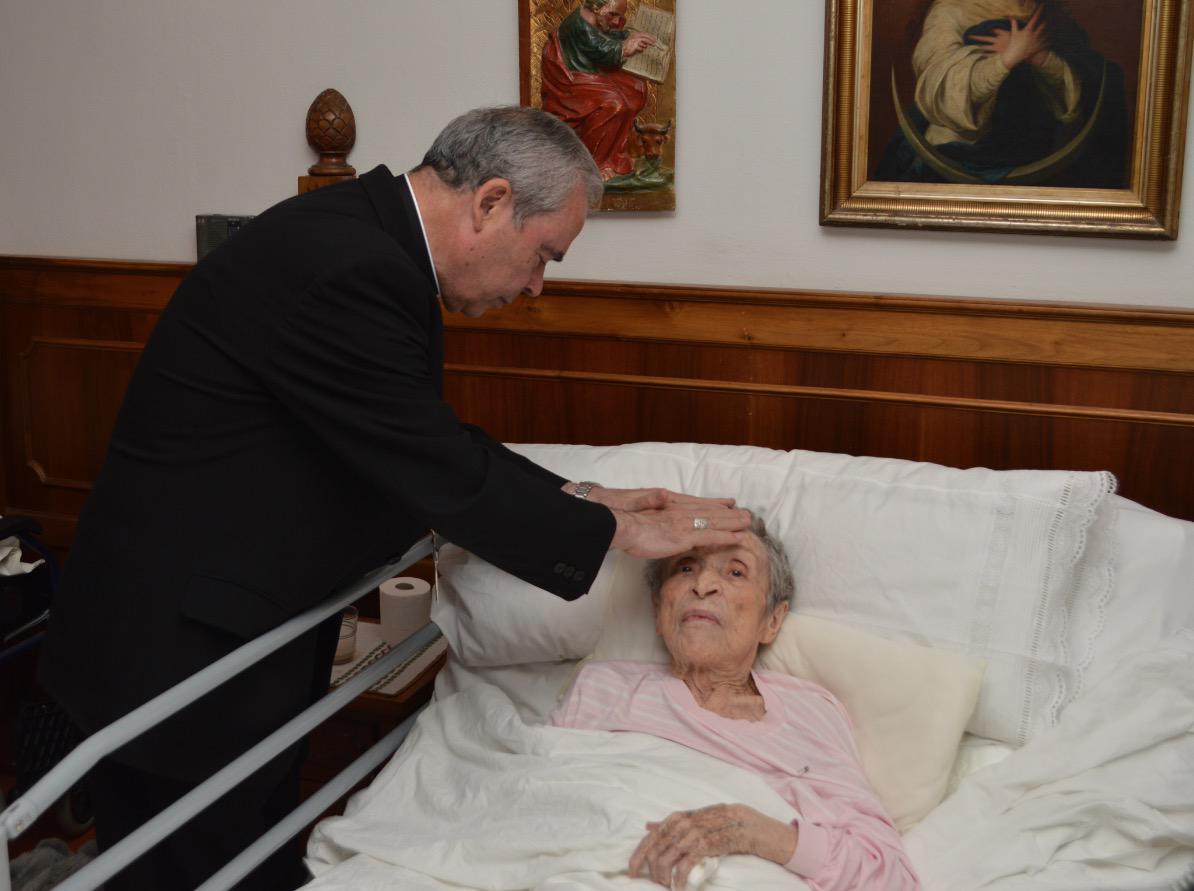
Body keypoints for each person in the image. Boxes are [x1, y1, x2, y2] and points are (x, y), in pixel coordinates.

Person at [36, 105, 748, 891]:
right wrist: (609, 531)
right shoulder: (351, 267)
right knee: (187, 865)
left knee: (245, 855)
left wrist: (584, 492)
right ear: (490, 202)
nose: (539, 286)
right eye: (544, 255)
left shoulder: (365, 242)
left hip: (229, 627)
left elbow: (422, 437)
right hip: (176, 645)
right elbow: (432, 464)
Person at [550, 516, 920, 890]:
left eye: (736, 572)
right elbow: (540, 802)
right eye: (686, 568)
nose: (703, 584)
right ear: (658, 609)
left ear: (771, 621)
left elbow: (889, 875)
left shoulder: (809, 712)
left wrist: (748, 829)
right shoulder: (604, 686)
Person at [876, 0, 1128, 187]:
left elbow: (1074, 95)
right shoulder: (950, 10)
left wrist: (1039, 57)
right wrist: (1007, 59)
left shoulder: (1048, 12)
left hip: (1034, 160)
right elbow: (940, 87)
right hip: (958, 159)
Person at [541, 0, 657, 181]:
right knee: (614, 104)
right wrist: (626, 47)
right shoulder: (579, 26)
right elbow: (602, 50)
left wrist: (630, 35)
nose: (617, 21)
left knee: (636, 90)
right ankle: (596, 162)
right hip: (572, 84)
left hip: (591, 75)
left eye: (620, 16)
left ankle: (614, 153)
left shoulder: (596, 20)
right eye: (612, 15)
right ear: (596, 8)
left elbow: (607, 36)